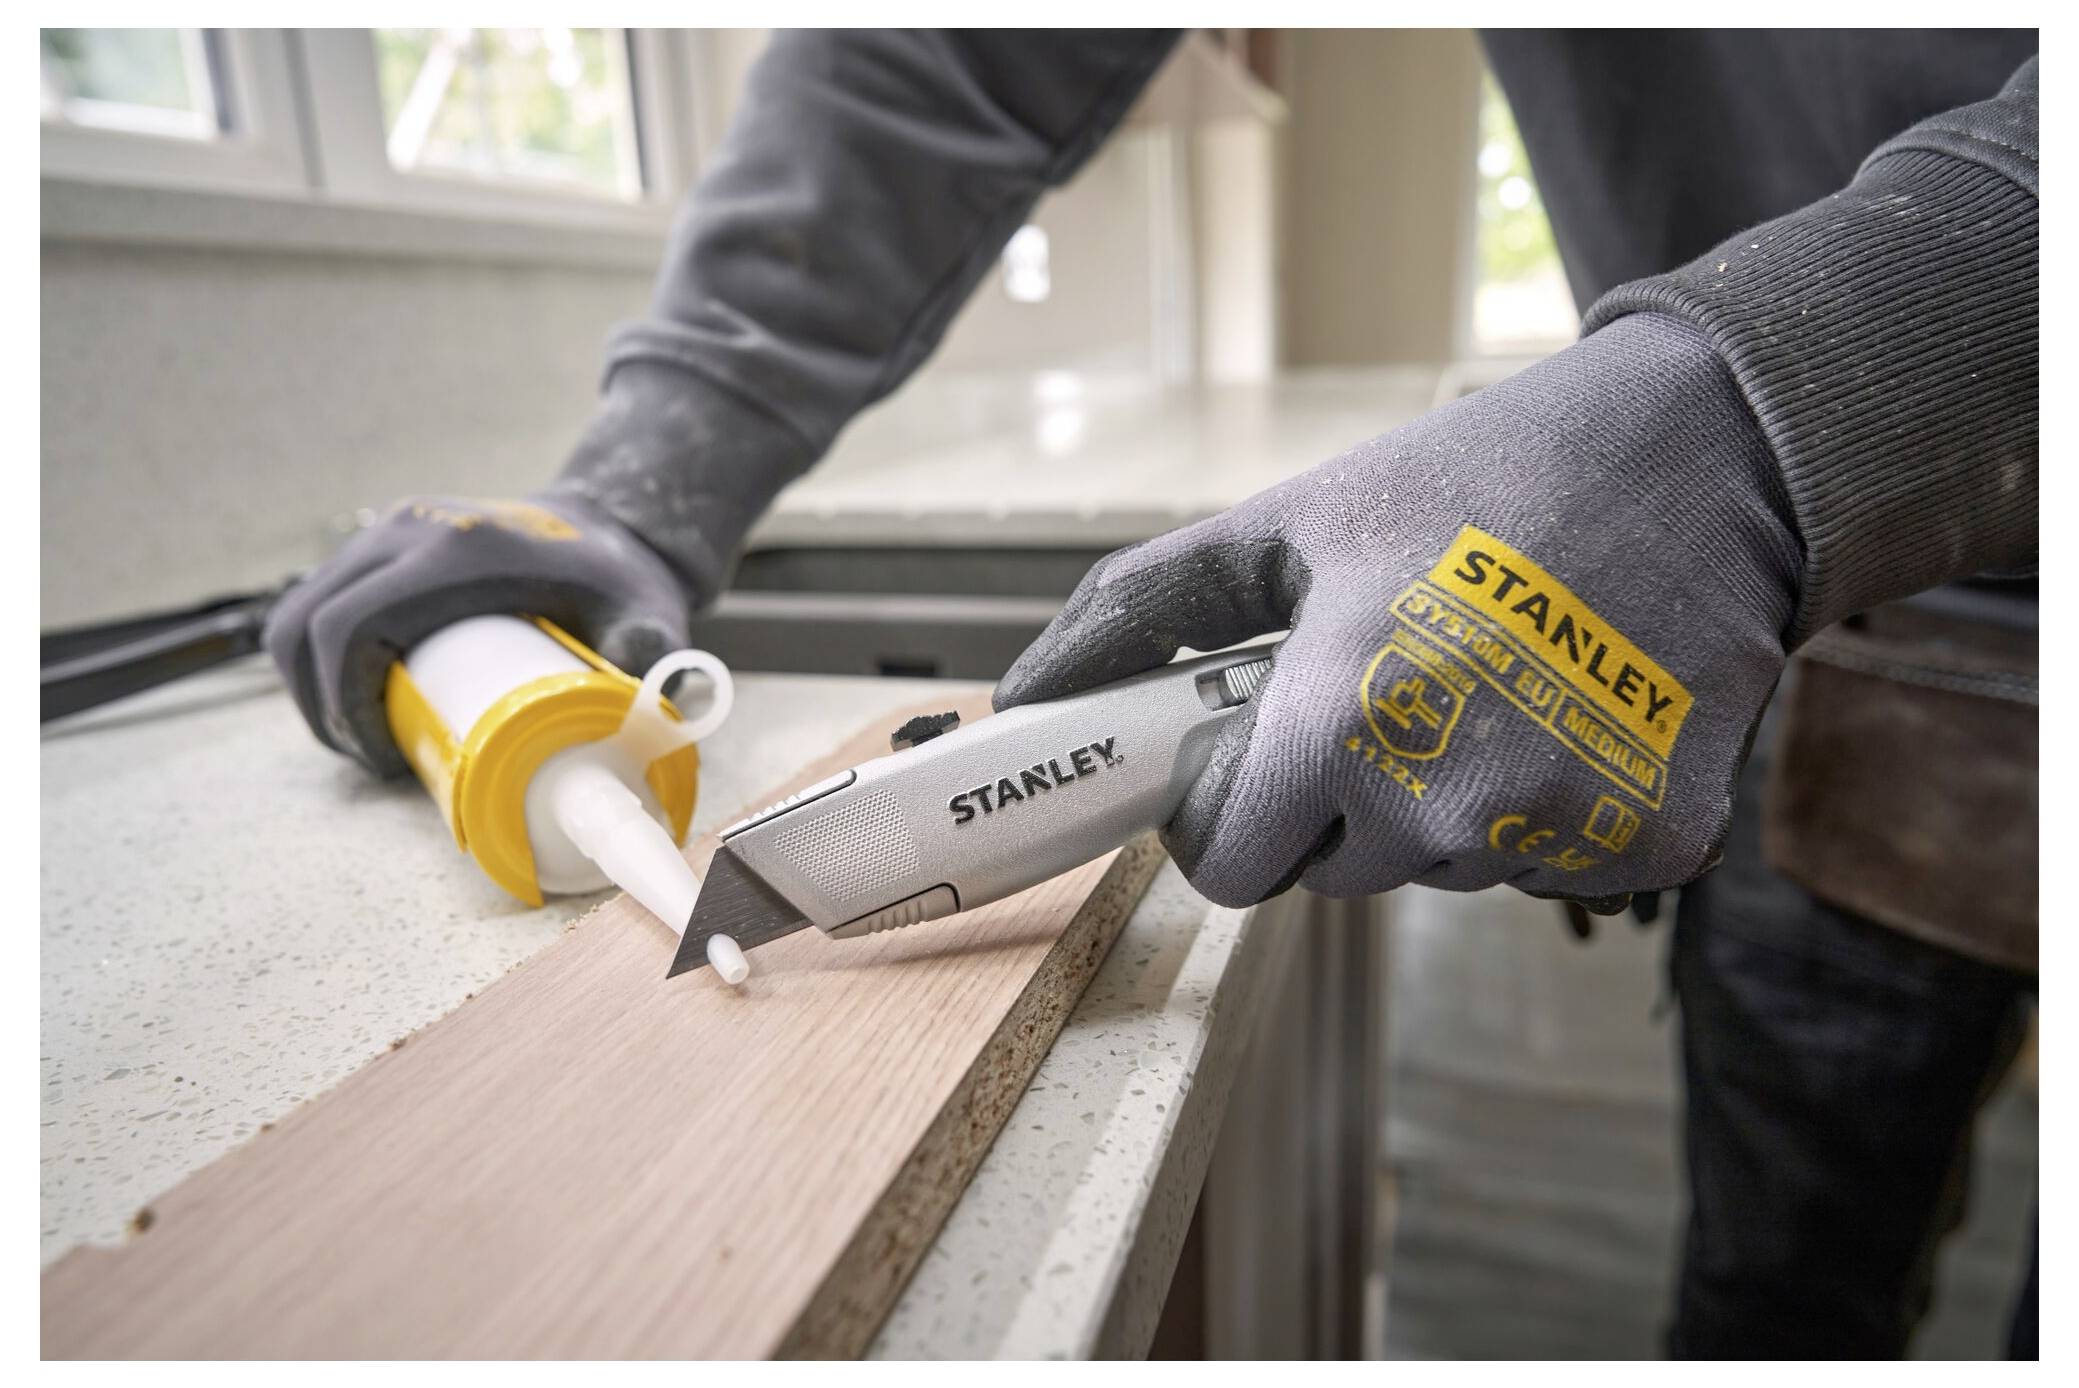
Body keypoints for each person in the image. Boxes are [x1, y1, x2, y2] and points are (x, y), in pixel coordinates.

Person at [263, 31, 2038, 1357]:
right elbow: (942, 47)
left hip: (1805, 494)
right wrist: (647, 477)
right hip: (1840, 674)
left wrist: (1785, 401)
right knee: (1788, 1283)